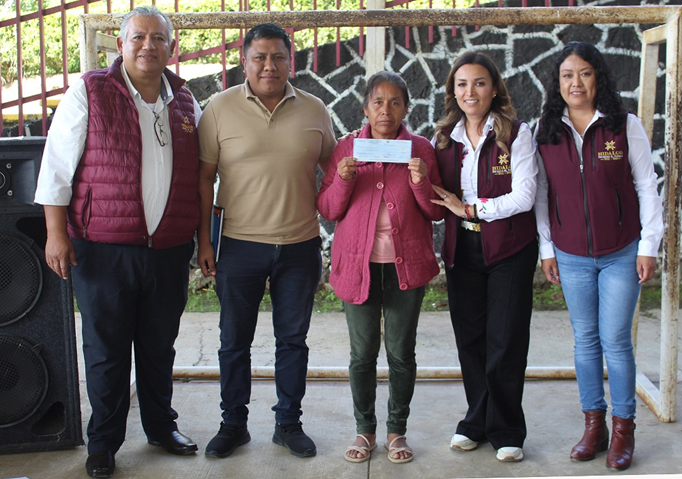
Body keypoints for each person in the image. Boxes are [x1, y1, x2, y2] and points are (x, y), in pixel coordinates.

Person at [34, 6, 201, 478]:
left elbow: (203, 173)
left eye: (158, 38)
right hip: (103, 248)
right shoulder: (90, 91)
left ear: (172, 47)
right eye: (138, 37)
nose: (148, 45)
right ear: (122, 44)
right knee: (106, 351)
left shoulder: (186, 101)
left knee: (158, 346)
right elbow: (56, 166)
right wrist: (55, 234)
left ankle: (161, 427)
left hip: (168, 250)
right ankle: (103, 444)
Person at [197, 23, 337, 459]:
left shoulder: (314, 109)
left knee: (292, 341)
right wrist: (204, 242)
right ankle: (232, 424)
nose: (269, 66)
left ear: (290, 62)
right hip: (237, 244)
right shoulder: (218, 108)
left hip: (300, 244)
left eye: (278, 57)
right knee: (233, 341)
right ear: (244, 61)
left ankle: (288, 424)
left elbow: (335, 171)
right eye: (259, 57)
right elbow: (203, 179)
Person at [534, 41, 663, 471]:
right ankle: (594, 426)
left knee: (616, 341)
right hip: (570, 255)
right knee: (585, 340)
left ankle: (624, 429)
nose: (576, 83)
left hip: (621, 253)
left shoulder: (623, 125)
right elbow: (542, 194)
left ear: (598, 78)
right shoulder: (546, 130)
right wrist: (547, 248)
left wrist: (648, 246)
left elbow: (646, 185)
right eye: (567, 75)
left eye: (585, 73)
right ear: (557, 82)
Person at [316, 71, 445, 464]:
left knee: (401, 352)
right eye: (378, 102)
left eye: (394, 102)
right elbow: (328, 209)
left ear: (406, 108)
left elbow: (436, 212)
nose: (385, 110)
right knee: (362, 354)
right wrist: (342, 180)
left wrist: (421, 181)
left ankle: (396, 431)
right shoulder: (347, 148)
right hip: (359, 267)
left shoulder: (420, 149)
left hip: (406, 268)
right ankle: (365, 429)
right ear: (365, 108)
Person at [429, 51, 538, 463]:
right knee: (470, 340)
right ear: (452, 91)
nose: (469, 91)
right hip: (463, 249)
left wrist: (472, 209)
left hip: (509, 248)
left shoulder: (516, 133)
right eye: (461, 84)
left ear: (494, 89)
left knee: (505, 340)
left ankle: (507, 429)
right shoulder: (444, 138)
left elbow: (525, 196)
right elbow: (433, 193)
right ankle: (477, 420)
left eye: (479, 83)